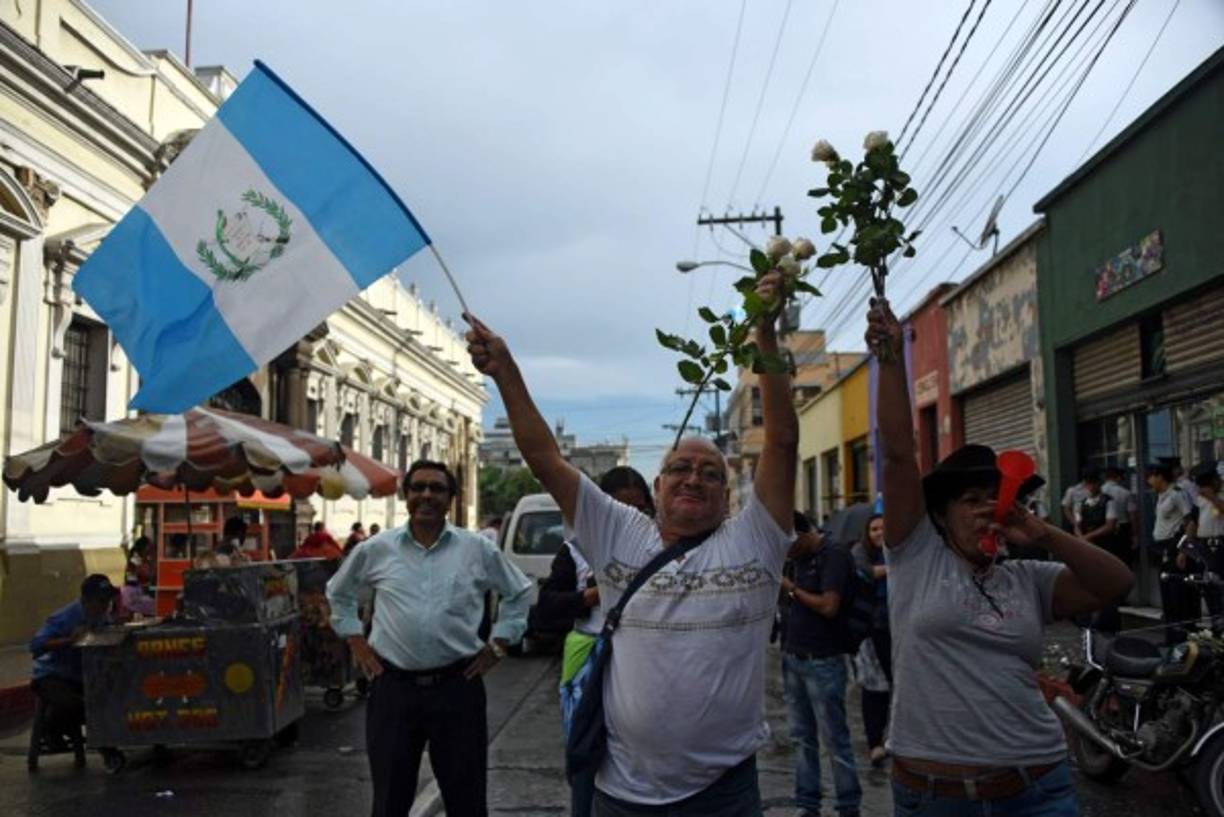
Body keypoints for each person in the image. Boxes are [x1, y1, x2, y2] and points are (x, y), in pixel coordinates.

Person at [465, 270, 797, 815]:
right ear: (657, 486)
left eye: (710, 473)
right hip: (620, 791)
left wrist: (764, 332)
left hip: (725, 793)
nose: (694, 478)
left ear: (728, 494)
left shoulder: (754, 542)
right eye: (680, 468)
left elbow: (782, 440)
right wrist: (506, 373)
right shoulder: (619, 529)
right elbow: (545, 458)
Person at [868, 297, 1133, 817]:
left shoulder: (1028, 578)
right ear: (940, 516)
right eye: (971, 501)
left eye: (998, 498)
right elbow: (900, 454)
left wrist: (1044, 533)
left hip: (1037, 787)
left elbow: (1116, 584)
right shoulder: (916, 556)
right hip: (934, 794)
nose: (988, 511)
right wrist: (890, 356)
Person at [327, 459, 532, 817]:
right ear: (406, 495)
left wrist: (500, 643)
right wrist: (354, 639)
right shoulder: (377, 549)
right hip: (393, 689)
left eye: (437, 488)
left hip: (458, 689)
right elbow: (338, 593)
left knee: (466, 801)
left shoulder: (477, 550)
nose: (426, 495)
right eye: (418, 487)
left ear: (451, 498)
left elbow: (517, 594)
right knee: (390, 800)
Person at [536, 466, 655, 817]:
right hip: (589, 659)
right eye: (620, 508)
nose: (631, 518)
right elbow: (547, 608)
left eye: (640, 510)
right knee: (586, 753)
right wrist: (592, 595)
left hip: (643, 661)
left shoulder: (661, 547)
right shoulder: (576, 551)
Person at [779, 511, 862, 817]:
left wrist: (789, 588)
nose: (785, 552)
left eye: (788, 545)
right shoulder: (795, 558)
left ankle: (848, 806)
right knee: (802, 738)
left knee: (835, 740)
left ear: (801, 534)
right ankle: (807, 803)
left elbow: (829, 606)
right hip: (793, 657)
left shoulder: (834, 555)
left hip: (823, 660)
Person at [29, 575, 119, 749]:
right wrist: (69, 641)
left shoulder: (103, 618)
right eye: (101, 601)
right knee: (72, 705)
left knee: (109, 698)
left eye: (108, 601)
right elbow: (36, 645)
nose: (105, 606)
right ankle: (50, 729)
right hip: (52, 675)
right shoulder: (65, 617)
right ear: (86, 600)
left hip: (80, 675)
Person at [850, 513, 891, 768]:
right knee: (874, 688)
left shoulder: (900, 549)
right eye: (874, 529)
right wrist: (892, 568)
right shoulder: (860, 551)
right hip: (869, 629)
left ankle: (896, 736)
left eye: (883, 528)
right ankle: (874, 741)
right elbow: (865, 572)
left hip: (898, 626)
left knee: (900, 684)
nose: (878, 533)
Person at [1148, 461, 1197, 644]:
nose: (1149, 480)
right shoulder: (1160, 496)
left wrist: (1184, 550)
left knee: (1179, 595)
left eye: (1151, 476)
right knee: (1167, 594)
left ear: (1160, 476)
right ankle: (1172, 637)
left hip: (1175, 546)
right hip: (1162, 548)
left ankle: (1183, 638)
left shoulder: (1177, 494)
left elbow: (1190, 522)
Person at [1188, 461, 1224, 623]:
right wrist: (1188, 545)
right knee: (1208, 587)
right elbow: (1192, 523)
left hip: (1220, 546)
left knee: (1220, 586)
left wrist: (1212, 497)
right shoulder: (1199, 501)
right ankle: (1216, 626)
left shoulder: (1220, 496)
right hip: (1204, 547)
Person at [1073, 472, 1121, 561]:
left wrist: (1087, 537)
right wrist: (1081, 538)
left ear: (1099, 484)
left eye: (1093, 483)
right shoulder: (1080, 503)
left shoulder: (1109, 501)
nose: (1090, 487)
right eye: (1087, 484)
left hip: (1105, 543)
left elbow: (1109, 526)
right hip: (1086, 544)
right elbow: (1077, 524)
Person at [1101, 466, 1137, 558]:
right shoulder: (1125, 493)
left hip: (1103, 528)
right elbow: (1132, 515)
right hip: (1122, 529)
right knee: (1123, 558)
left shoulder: (1100, 490)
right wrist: (1134, 534)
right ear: (1118, 477)